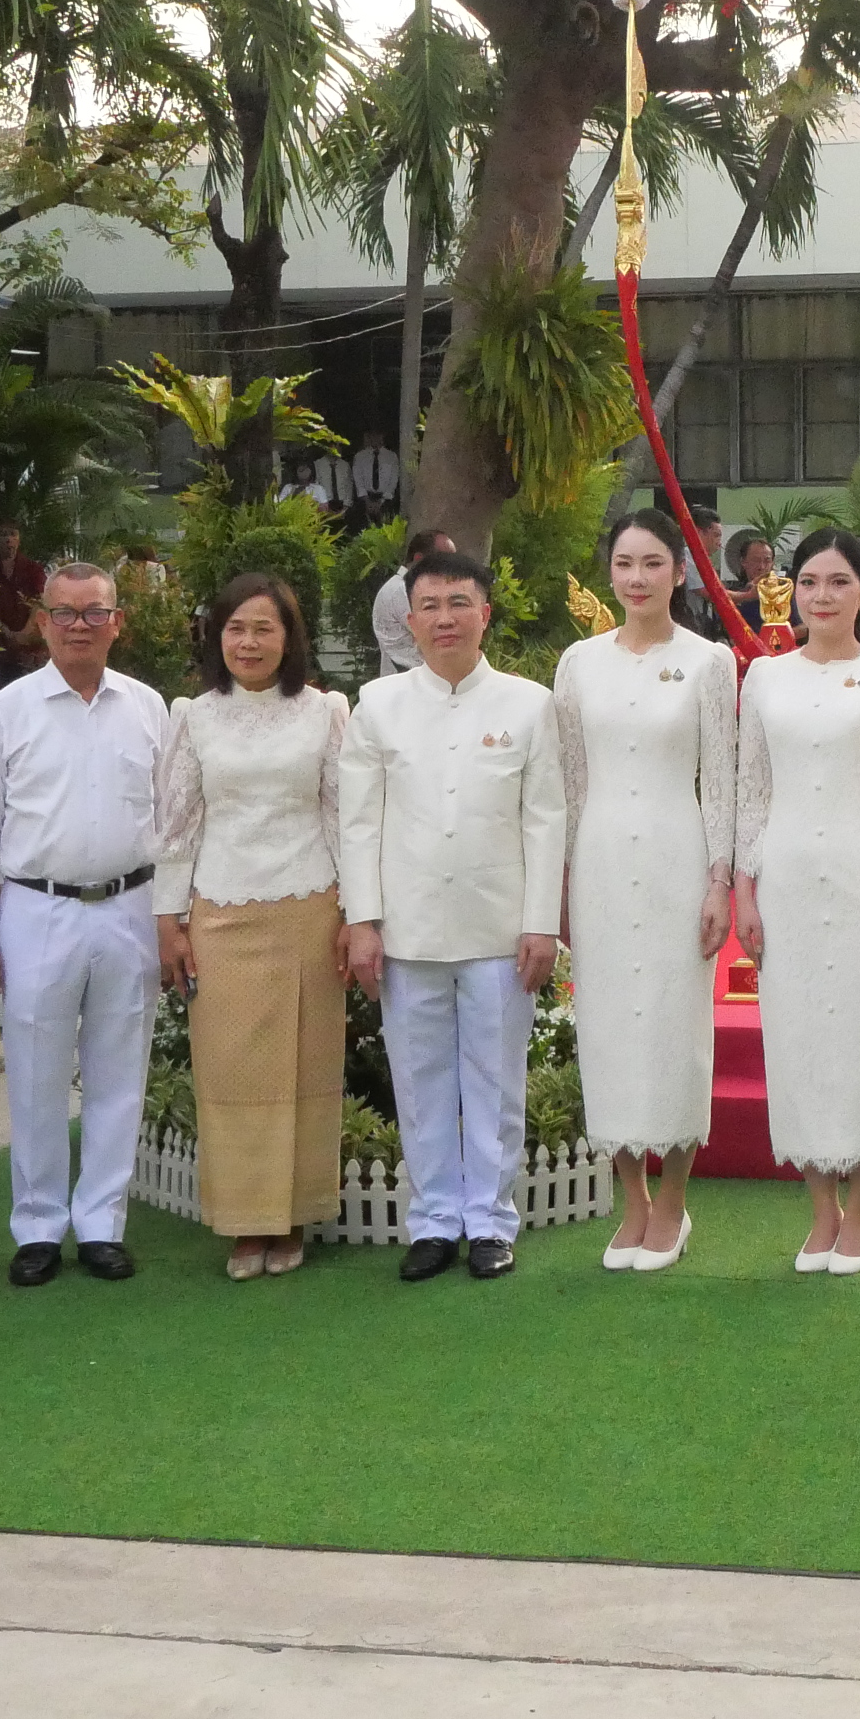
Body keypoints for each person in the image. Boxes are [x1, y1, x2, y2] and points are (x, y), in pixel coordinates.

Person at [340, 545, 568, 1282]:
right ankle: (434, 1221)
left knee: (496, 1078)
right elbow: (359, 823)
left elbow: (545, 820)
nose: (445, 619)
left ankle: (491, 1222)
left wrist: (541, 923)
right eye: (431, 606)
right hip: (407, 929)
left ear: (484, 614)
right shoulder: (377, 705)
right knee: (420, 1076)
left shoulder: (529, 704)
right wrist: (363, 921)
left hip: (499, 929)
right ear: (410, 620)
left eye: (458, 603)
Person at [0, 565, 167, 1286]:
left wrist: (172, 918)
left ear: (118, 622)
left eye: (94, 612)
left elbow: (168, 822)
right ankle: (39, 1225)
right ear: (42, 623)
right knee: (36, 1074)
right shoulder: (5, 713)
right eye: (65, 613)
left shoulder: (148, 708)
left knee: (118, 1072)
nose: (80, 625)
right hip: (36, 908)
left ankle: (103, 1222)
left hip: (129, 906)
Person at [740, 531, 860, 1272]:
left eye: (838, 582)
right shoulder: (764, 679)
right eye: (809, 582)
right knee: (799, 1044)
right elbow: (753, 792)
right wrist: (747, 891)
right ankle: (818, 1211)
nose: (822, 596)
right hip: (787, 880)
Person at [154, 570, 350, 1282]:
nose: (249, 641)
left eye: (265, 627)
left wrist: (355, 913)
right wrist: (168, 922)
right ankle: (245, 1223)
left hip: (310, 904)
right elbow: (175, 828)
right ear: (217, 636)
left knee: (305, 1066)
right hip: (221, 910)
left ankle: (294, 1216)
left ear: (289, 638)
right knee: (233, 1072)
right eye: (236, 627)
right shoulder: (195, 716)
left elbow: (341, 814)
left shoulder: (325, 712)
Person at [554, 512, 737, 1272]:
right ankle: (630, 1200)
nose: (636, 578)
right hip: (596, 860)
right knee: (606, 1030)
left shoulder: (709, 662)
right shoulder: (578, 662)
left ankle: (674, 1201)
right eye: (625, 563)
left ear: (680, 572)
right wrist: (558, 882)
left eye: (652, 563)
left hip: (676, 857)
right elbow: (568, 780)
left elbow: (722, 781)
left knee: (674, 1029)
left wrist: (720, 881)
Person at [374, 529, 459, 677]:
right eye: (443, 560)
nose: (450, 567)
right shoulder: (400, 591)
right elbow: (436, 634)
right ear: (419, 559)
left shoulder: (407, 588)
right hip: (407, 684)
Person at [0, 520, 50, 684]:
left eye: (13, 534)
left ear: (19, 539)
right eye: (4, 535)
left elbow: (42, 600)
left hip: (32, 649)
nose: (8, 540)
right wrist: (8, 634)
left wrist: (26, 632)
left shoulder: (33, 569)